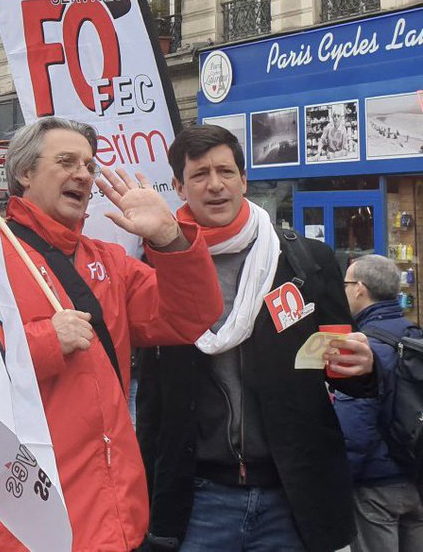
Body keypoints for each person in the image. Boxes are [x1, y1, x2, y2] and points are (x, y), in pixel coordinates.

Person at [0, 116, 224, 552]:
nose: (84, 174)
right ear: (24, 173)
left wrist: (170, 237)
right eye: (66, 161)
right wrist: (39, 344)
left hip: (116, 516)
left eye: (90, 165)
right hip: (26, 525)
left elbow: (194, 316)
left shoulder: (109, 261)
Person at [139, 124, 376, 552]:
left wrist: (364, 366)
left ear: (244, 179)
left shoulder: (307, 260)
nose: (215, 185)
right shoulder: (156, 268)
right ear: (178, 186)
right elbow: (149, 399)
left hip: (293, 497)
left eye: (226, 172)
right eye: (200, 175)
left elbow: (344, 372)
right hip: (199, 502)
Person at [335, 254, 423, 550]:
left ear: (359, 288)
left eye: (345, 284)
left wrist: (338, 482)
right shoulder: (414, 337)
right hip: (414, 475)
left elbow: (354, 429)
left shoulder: (364, 348)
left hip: (376, 486)